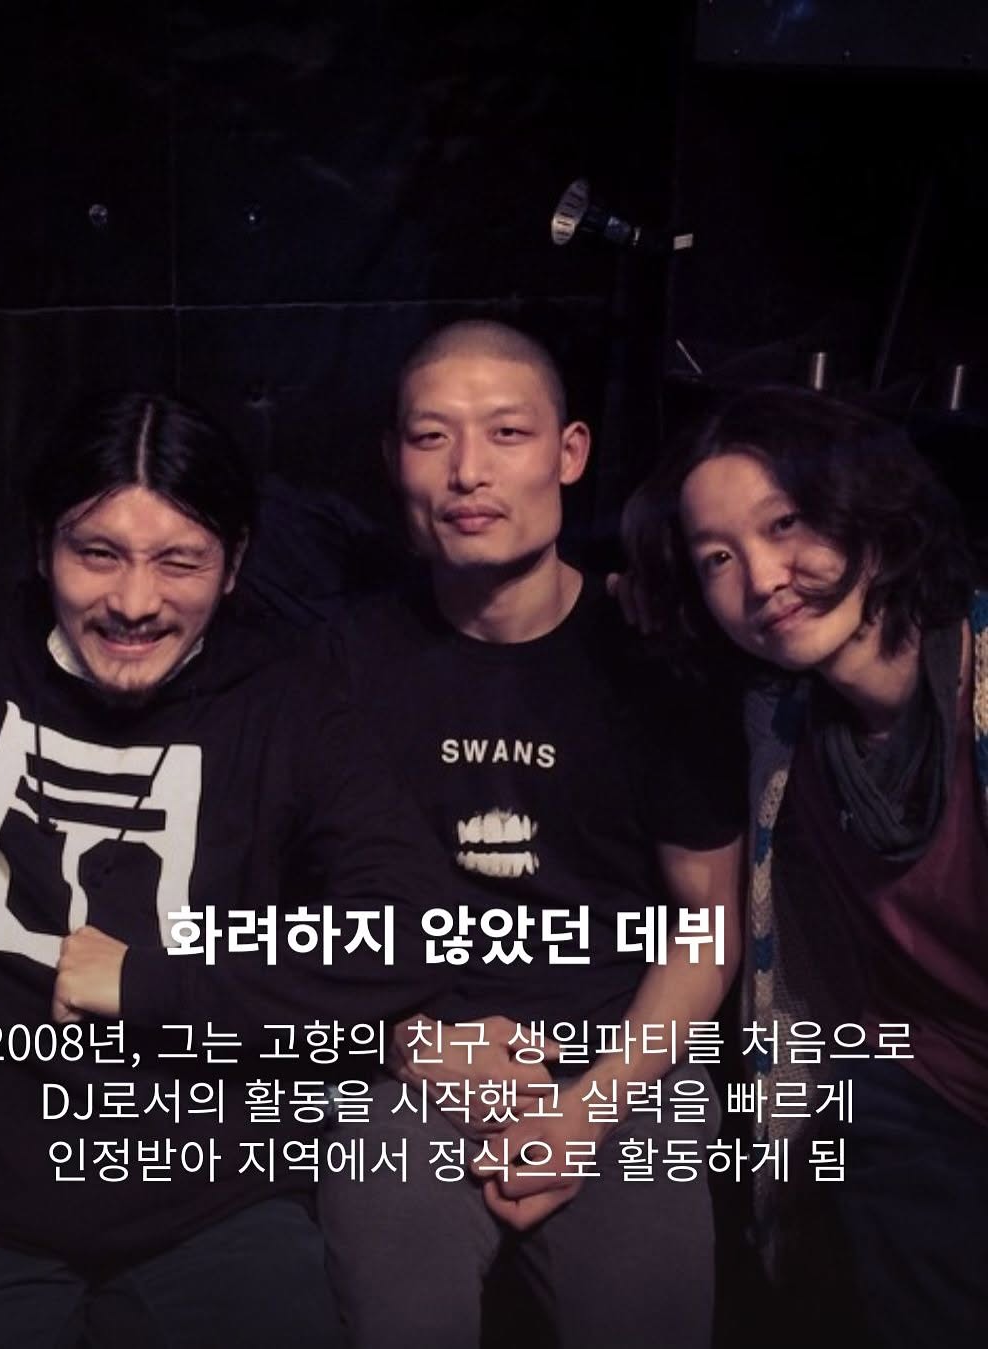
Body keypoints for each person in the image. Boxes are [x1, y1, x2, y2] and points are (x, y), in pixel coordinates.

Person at [0, 392, 449, 1348]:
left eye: (179, 561)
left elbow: (411, 928)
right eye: (98, 553)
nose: (133, 602)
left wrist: (151, 982)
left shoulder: (288, 698)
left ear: (233, 565)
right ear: (40, 547)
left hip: (213, 1208)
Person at [316, 320, 745, 1349]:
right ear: (393, 459)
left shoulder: (651, 657)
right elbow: (299, 904)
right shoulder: (338, 662)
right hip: (409, 1056)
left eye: (507, 432)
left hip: (623, 1053)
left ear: (569, 451)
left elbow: (708, 925)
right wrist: (410, 1042)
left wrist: (587, 1109)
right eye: (432, 436)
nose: (468, 470)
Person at [622, 383, 988, 1349]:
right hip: (927, 1101)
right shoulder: (778, 735)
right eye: (717, 557)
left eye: (785, 524)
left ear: (866, 508)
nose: (762, 577)